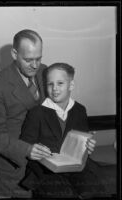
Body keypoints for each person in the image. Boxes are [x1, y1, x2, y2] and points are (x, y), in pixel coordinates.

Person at [20, 63, 106, 198]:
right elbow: (24, 144)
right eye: (50, 84)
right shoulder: (36, 112)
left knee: (95, 191)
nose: (54, 89)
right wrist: (31, 150)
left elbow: (81, 143)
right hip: (45, 169)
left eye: (60, 83)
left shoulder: (80, 110)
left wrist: (87, 147)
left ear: (71, 85)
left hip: (76, 167)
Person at [0, 29, 52, 197]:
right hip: (15, 167)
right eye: (28, 60)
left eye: (39, 58)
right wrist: (27, 150)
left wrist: (77, 136)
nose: (35, 65)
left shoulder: (45, 71)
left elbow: (56, 112)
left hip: (46, 162)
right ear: (14, 53)